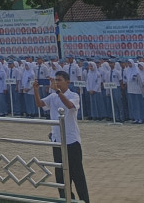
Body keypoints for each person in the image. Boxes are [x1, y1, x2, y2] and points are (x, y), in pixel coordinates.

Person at [32, 71, 90, 203]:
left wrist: (58, 92)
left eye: (59, 80)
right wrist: (36, 90)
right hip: (57, 141)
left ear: (67, 82)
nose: (56, 82)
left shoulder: (73, 95)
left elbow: (70, 106)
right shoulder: (52, 96)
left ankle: (84, 200)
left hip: (72, 140)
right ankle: (67, 199)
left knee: (77, 175)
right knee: (61, 176)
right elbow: (40, 104)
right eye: (55, 80)